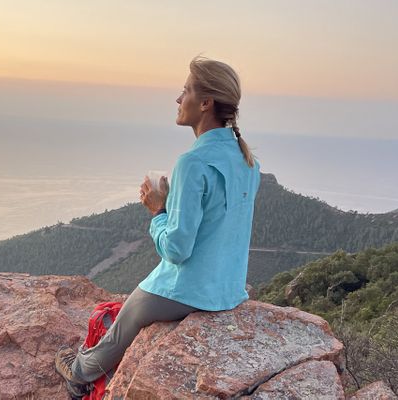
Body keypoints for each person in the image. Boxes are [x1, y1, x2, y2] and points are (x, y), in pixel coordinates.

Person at [55, 56, 261, 398]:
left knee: (130, 315)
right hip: (228, 290)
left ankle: (78, 373)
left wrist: (158, 210)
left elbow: (177, 250)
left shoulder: (192, 162)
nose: (179, 100)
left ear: (206, 102)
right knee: (132, 308)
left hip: (190, 291)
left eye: (185, 91)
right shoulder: (248, 160)